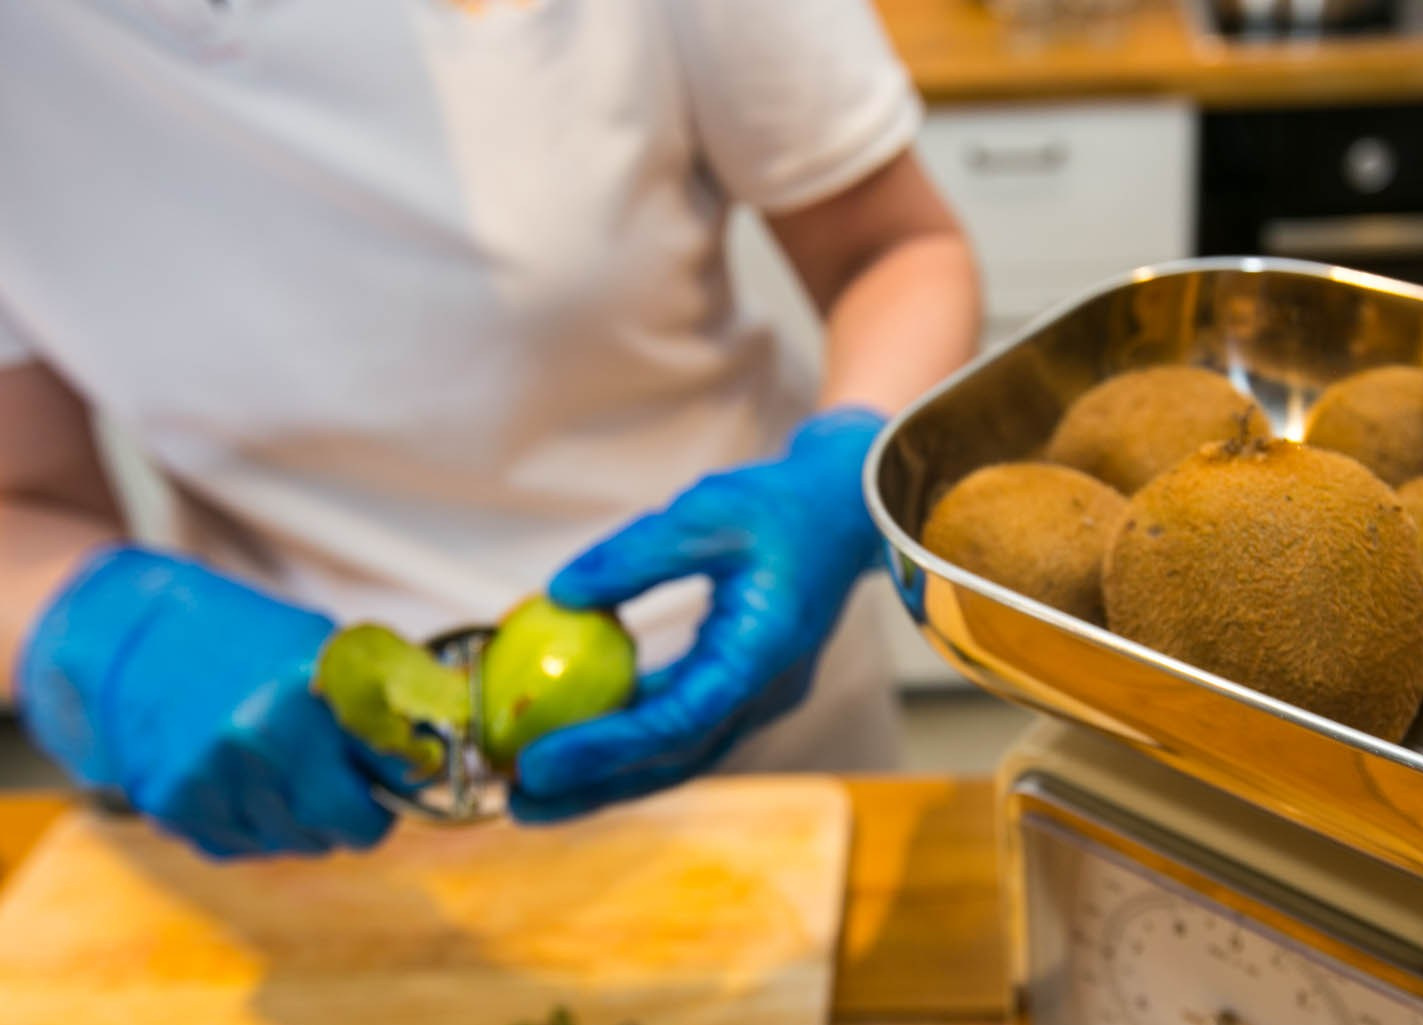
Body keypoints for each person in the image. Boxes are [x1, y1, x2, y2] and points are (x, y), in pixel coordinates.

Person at [0, 0, 981, 859]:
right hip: (303, 787)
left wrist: (845, 467)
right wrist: (102, 632)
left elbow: (893, 247)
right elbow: (23, 493)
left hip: (743, 730)